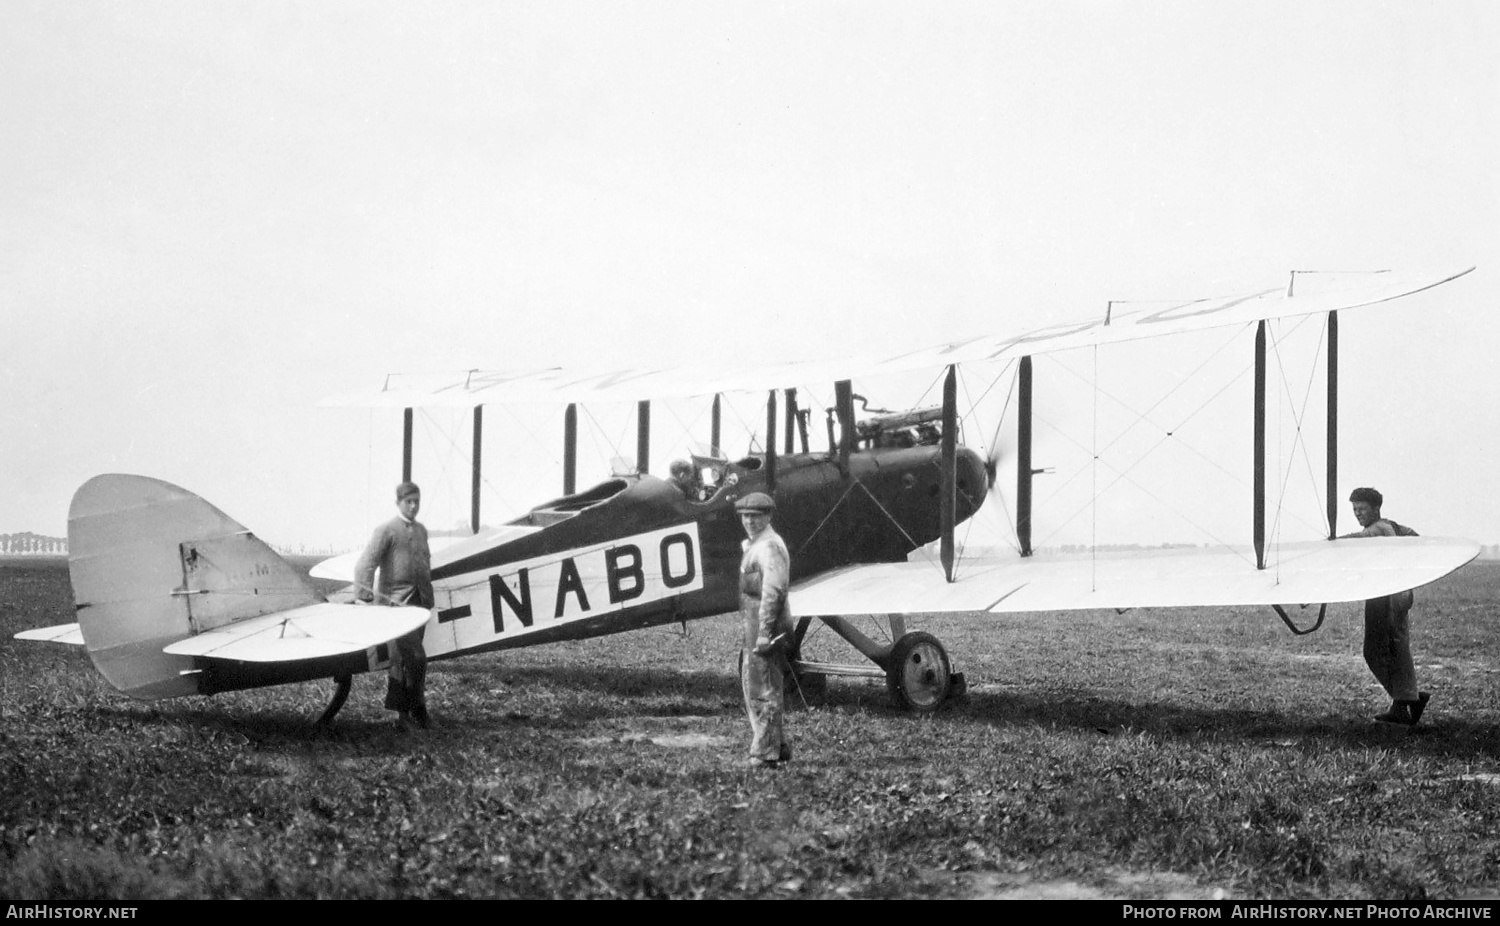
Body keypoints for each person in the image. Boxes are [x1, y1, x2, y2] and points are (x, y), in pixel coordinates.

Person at [1341, 486, 1428, 726]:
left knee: (1379, 650)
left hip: (1388, 594)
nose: (1358, 513)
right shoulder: (1393, 526)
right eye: (1355, 509)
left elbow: (1355, 541)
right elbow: (1415, 537)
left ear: (1376, 509)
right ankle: (1405, 702)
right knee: (1394, 649)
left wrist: (1330, 544)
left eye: (1362, 509)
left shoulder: (1377, 529)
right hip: (1393, 591)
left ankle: (1407, 699)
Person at [354, 481, 436, 731]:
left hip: (419, 604)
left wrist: (427, 598)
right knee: (416, 658)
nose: (413, 506)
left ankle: (406, 715)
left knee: (404, 661)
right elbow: (364, 565)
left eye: (417, 502)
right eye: (408, 502)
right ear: (398, 503)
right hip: (396, 607)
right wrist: (364, 599)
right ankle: (415, 711)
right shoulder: (386, 530)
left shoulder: (422, 531)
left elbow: (424, 564)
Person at [735, 492, 794, 768]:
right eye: (746, 516)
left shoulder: (769, 546)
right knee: (759, 684)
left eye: (756, 516)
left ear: (768, 517)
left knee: (764, 689)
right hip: (755, 623)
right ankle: (778, 746)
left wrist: (765, 631)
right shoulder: (756, 544)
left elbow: (774, 590)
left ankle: (765, 753)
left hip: (765, 625)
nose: (750, 521)